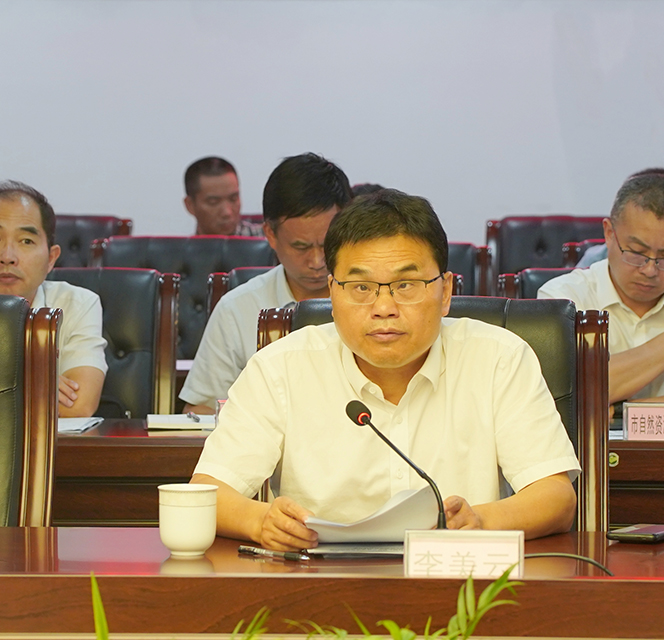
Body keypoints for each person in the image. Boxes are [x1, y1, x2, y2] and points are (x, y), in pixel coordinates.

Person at [191, 189, 579, 551]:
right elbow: (207, 493)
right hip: (317, 585)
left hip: (459, 582)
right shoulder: (280, 368)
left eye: (406, 285)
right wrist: (260, 522)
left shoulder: (499, 358)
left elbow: (555, 498)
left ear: (445, 292)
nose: (383, 308)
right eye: (361, 288)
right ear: (333, 293)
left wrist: (481, 520)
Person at [539, 173, 664, 422]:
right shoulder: (563, 298)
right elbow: (563, 395)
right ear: (609, 233)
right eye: (636, 252)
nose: (650, 270)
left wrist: (620, 412)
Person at [180, 153, 352, 413]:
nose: (317, 261)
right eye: (301, 247)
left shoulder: (378, 301)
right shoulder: (237, 308)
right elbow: (201, 409)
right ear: (270, 234)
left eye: (327, 244)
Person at [0, 181, 107, 417]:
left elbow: (78, 404)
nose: (7, 256)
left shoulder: (76, 304)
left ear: (51, 258)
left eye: (26, 241)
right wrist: (34, 383)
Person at [184, 156, 262, 236]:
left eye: (233, 199)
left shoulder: (266, 239)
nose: (227, 212)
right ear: (190, 205)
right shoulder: (182, 244)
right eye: (213, 202)